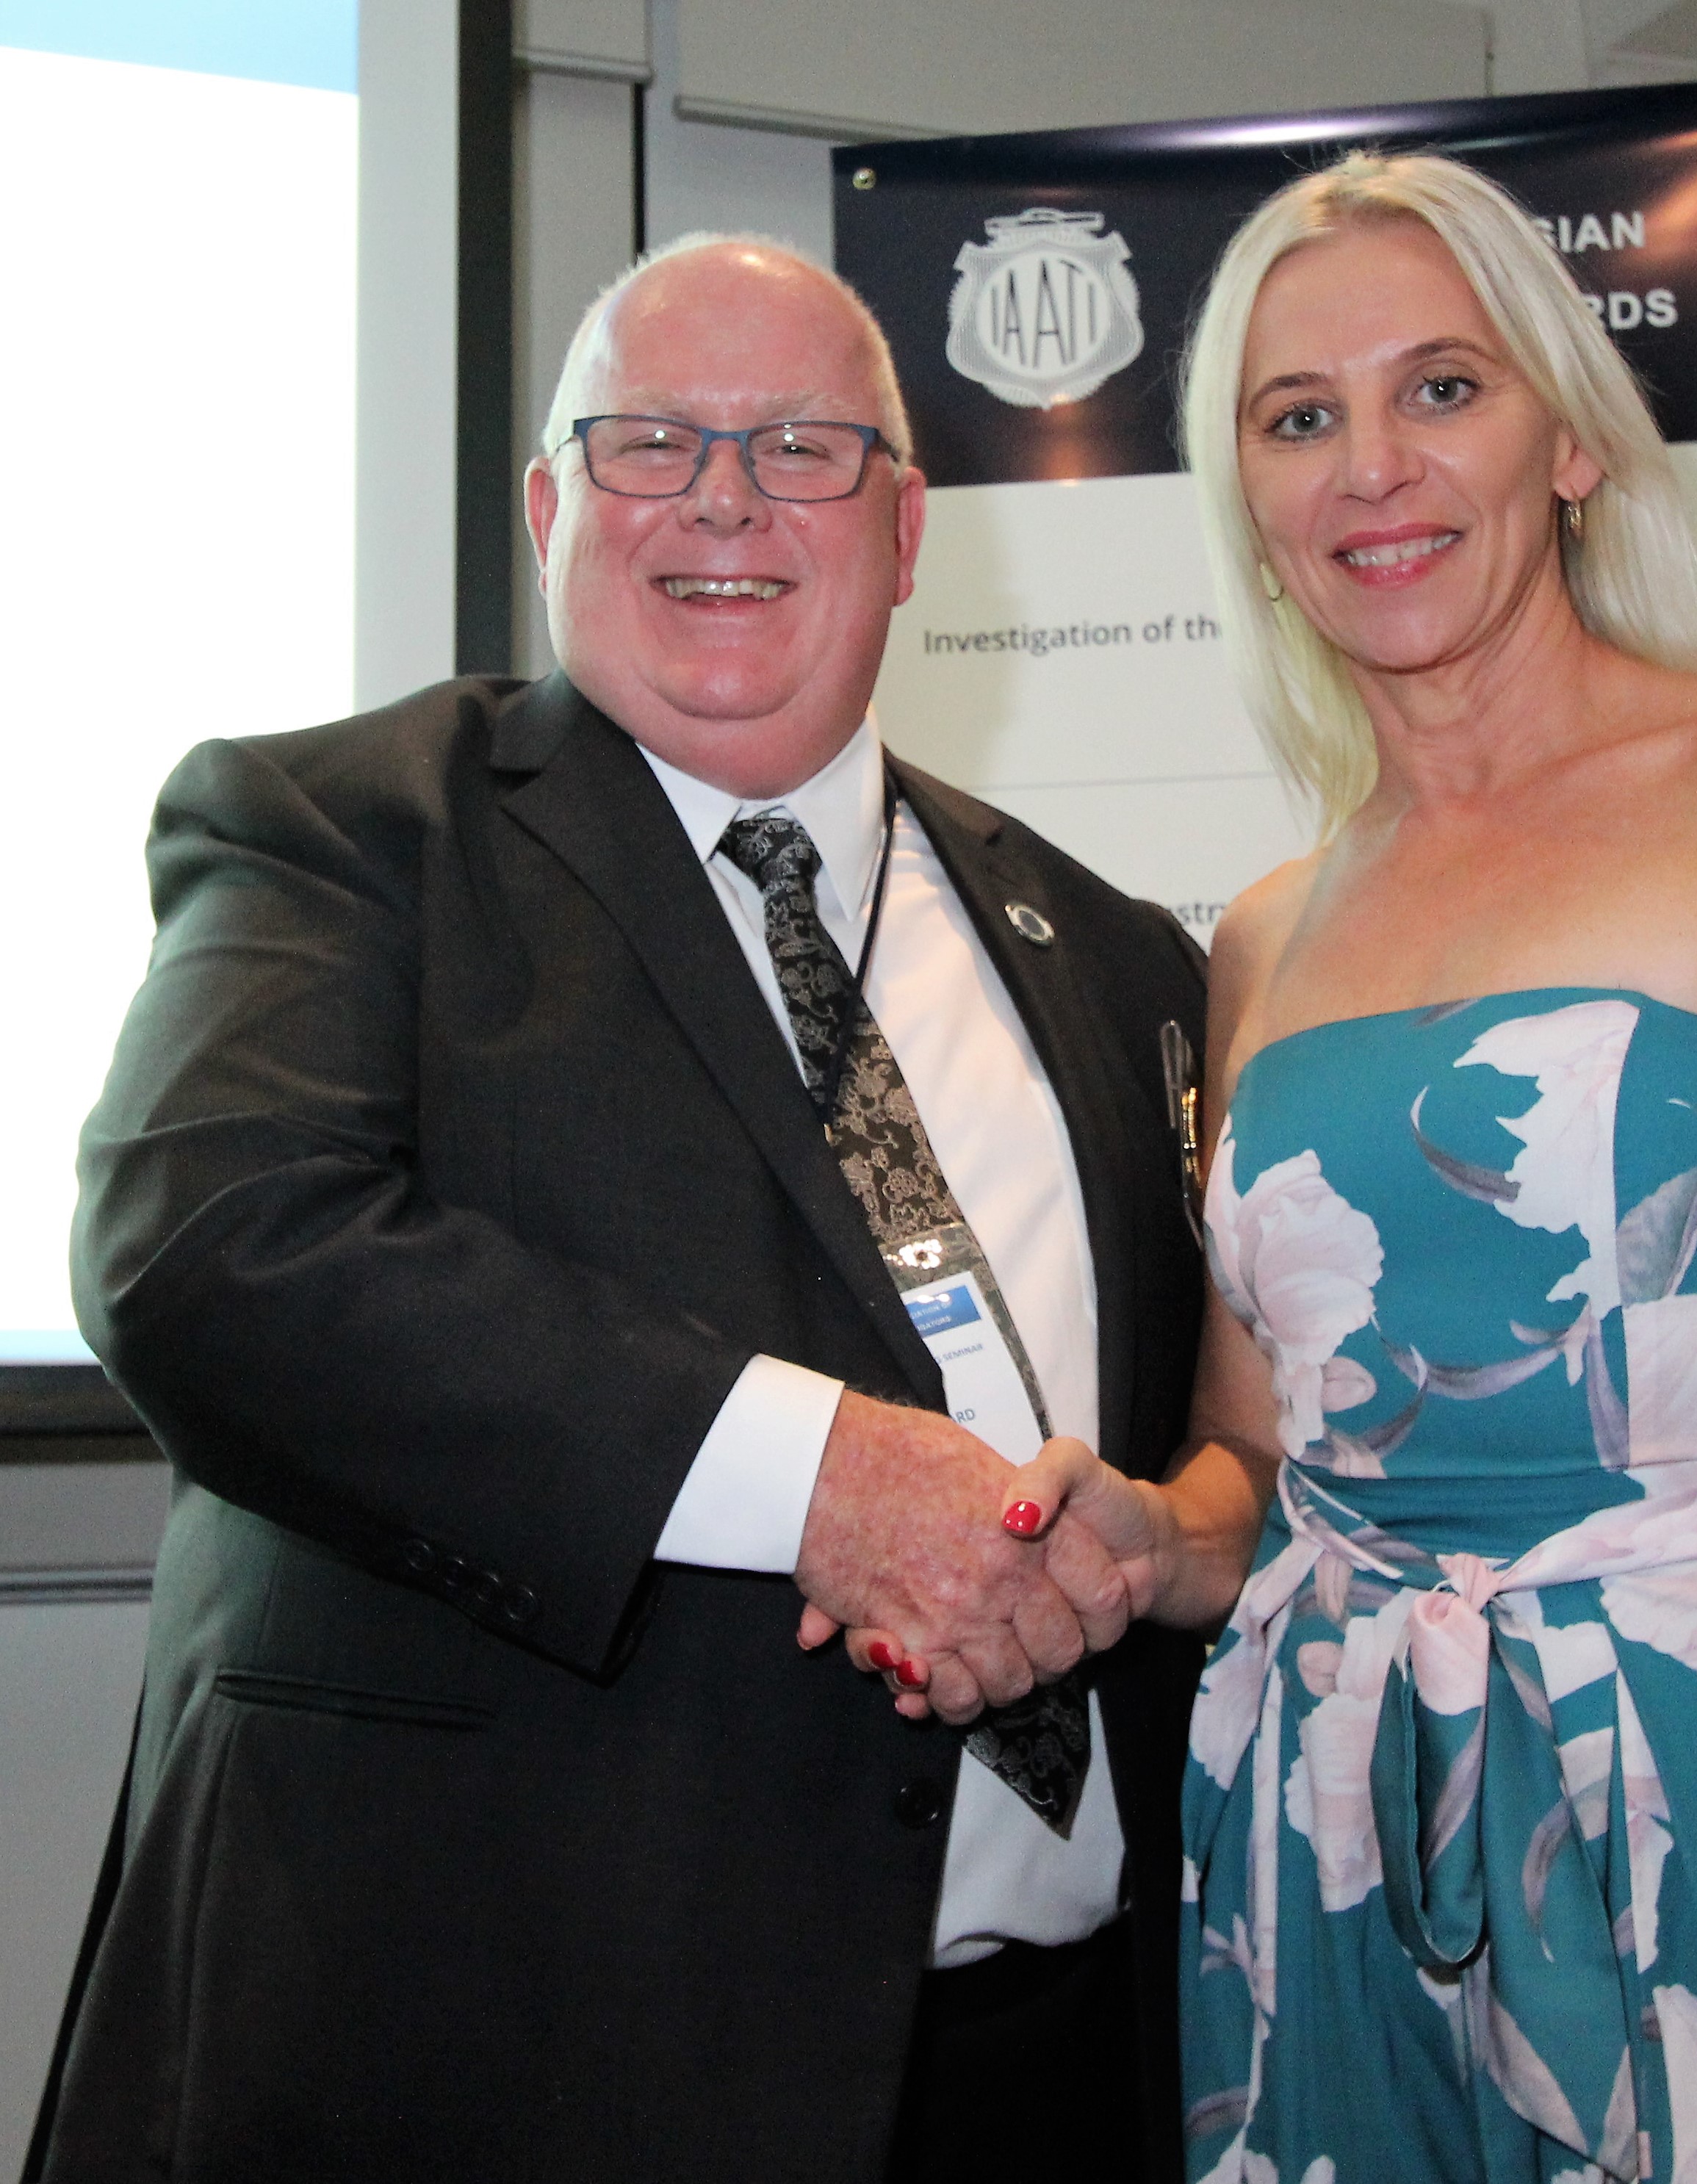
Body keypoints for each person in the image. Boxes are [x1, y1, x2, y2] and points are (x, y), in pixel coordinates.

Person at [852, 151, 1697, 2180]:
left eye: (1442, 389)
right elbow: (1270, 1461)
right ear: (1244, 500)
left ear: (1569, 437)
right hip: (1329, 1842)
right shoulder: (1259, 937)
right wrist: (1145, 1540)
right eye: (1296, 418)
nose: (1371, 470)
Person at [29, 234, 1208, 2184]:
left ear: (907, 531)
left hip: (1059, 2064)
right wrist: (817, 1473)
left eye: (803, 447)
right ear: (546, 504)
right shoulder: (344, 830)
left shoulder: (1111, 953)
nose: (725, 496)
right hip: (503, 2064)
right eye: (652, 440)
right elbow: (209, 1251)